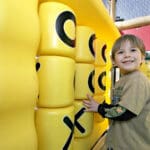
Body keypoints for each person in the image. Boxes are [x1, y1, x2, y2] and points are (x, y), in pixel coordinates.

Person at [83, 34, 150, 150]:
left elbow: (124, 112)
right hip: (121, 141)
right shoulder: (123, 80)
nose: (127, 55)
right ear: (113, 61)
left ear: (142, 58)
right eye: (121, 52)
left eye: (133, 50)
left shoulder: (137, 80)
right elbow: (119, 107)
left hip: (134, 144)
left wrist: (100, 108)